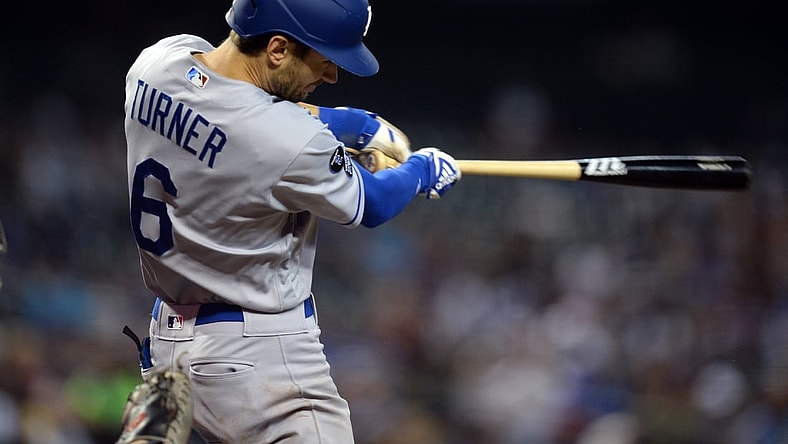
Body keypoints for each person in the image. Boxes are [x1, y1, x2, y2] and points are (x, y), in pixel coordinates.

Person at [120, 0, 460, 442]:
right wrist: (422, 172)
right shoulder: (289, 142)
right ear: (278, 49)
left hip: (169, 343)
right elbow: (373, 203)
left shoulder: (156, 63)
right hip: (258, 358)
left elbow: (230, 102)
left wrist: (347, 122)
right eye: (325, 60)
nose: (332, 76)